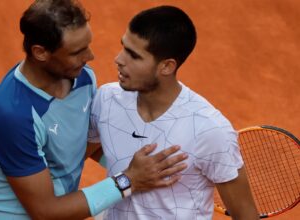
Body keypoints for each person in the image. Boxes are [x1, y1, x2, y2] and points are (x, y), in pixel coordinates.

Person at [0, 1, 188, 219]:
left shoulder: (82, 78)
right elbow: (45, 211)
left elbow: (82, 146)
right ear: (40, 52)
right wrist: (129, 179)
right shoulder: (12, 116)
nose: (90, 57)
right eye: (77, 52)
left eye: (87, 45)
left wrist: (154, 170)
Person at [88, 5, 259, 220]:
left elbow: (246, 215)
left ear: (167, 66)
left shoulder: (209, 129)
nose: (119, 59)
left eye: (134, 55)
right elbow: (80, 154)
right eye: (123, 47)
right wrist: (134, 174)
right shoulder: (107, 100)